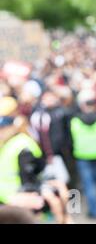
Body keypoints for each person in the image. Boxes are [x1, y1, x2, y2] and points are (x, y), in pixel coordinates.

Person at [0, 96, 71, 224]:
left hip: (22, 199)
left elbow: (29, 175)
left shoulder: (20, 144)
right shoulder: (13, 143)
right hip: (15, 200)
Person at [69, 89, 96, 219]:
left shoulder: (74, 121)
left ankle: (94, 211)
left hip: (83, 156)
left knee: (89, 184)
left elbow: (69, 139)